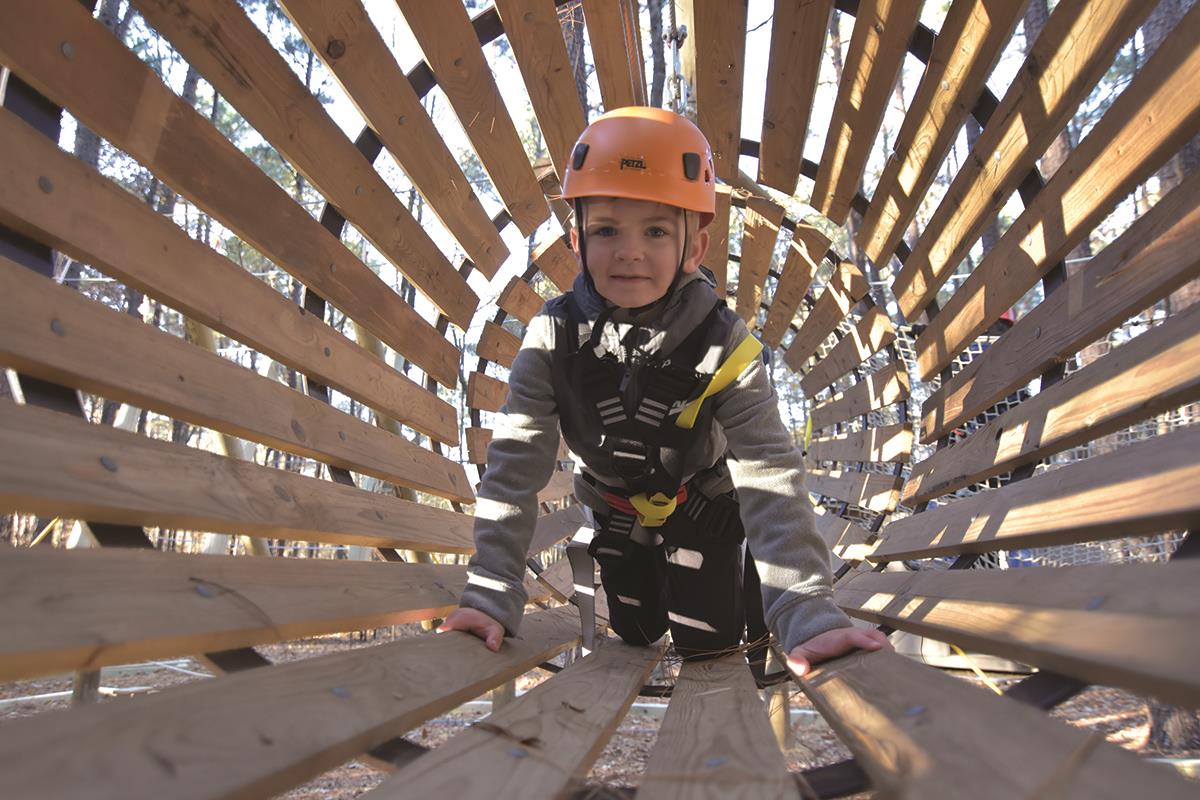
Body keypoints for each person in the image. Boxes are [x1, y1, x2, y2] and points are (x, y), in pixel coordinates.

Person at [439, 107, 889, 678]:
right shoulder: (553, 338)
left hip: (704, 501)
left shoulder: (722, 343)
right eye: (606, 230)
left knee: (709, 643)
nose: (630, 251)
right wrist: (490, 594)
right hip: (617, 503)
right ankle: (656, 586)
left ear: (694, 249)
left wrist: (806, 608)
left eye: (655, 231)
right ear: (577, 241)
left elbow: (770, 469)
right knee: (636, 628)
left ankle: (757, 594)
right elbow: (513, 465)